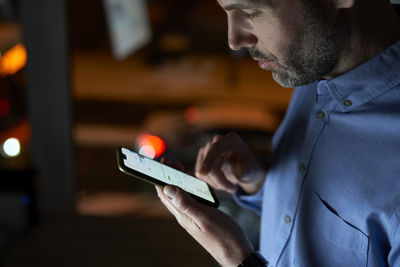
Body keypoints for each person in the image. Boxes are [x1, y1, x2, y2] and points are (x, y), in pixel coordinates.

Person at [156, 0, 400, 265]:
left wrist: (237, 258)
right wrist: (261, 183)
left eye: (251, 12)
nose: (234, 40)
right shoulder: (316, 63)